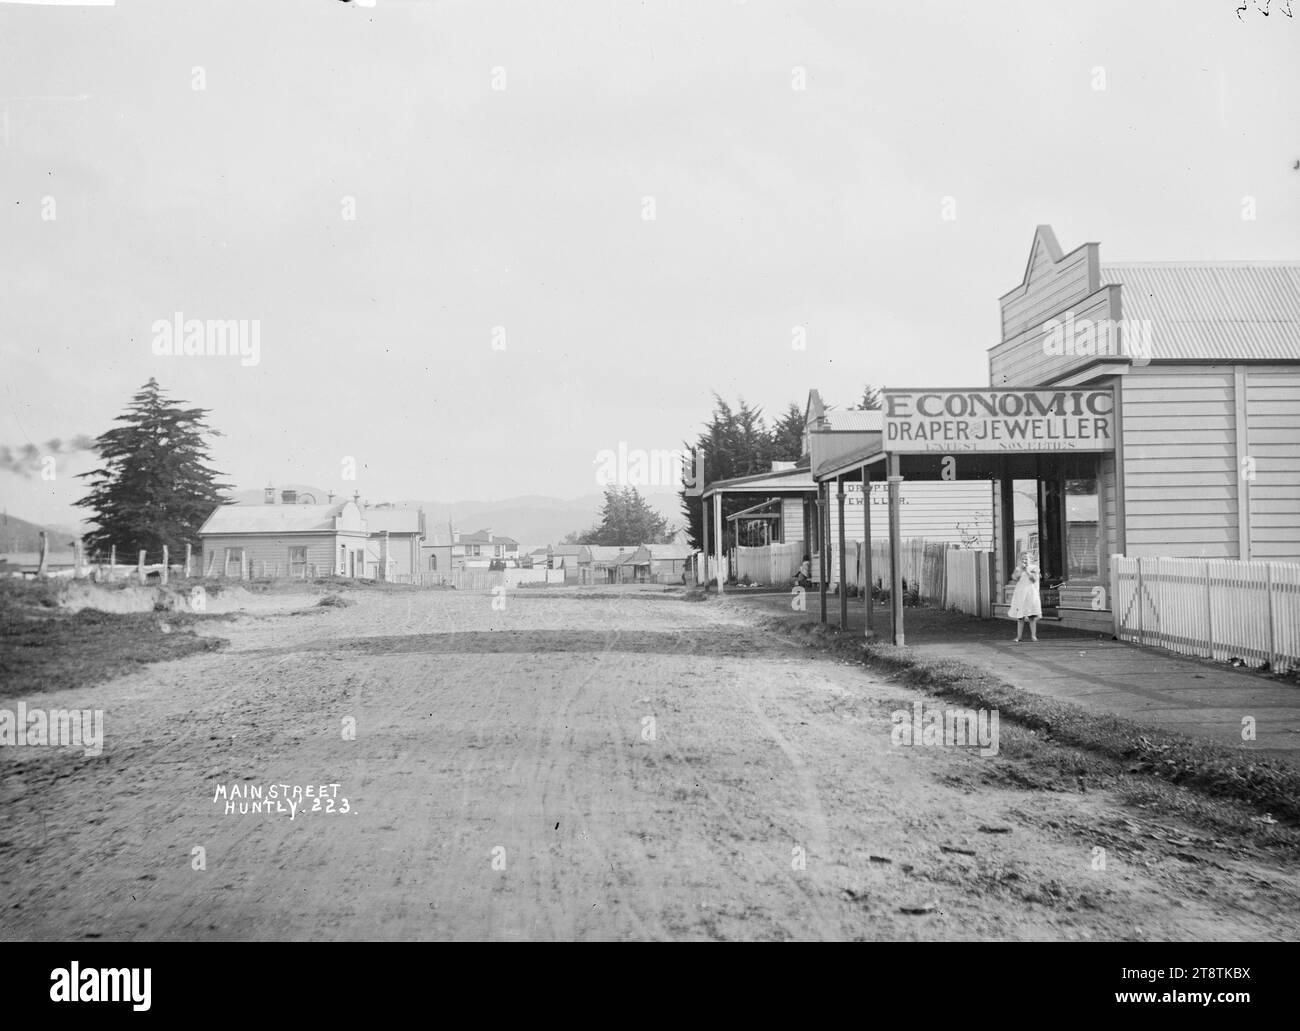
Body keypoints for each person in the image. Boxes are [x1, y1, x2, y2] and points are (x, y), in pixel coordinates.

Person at [1008, 553, 1042, 642]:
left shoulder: (1034, 568)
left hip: (1030, 593)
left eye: (1026, 559)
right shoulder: (1018, 569)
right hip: (1021, 593)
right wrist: (1020, 571)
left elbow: (1034, 579)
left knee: (1032, 616)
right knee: (1020, 616)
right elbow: (1015, 578)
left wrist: (1027, 570)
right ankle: (1019, 636)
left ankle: (1033, 636)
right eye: (1022, 559)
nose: (1024, 561)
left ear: (1030, 559)